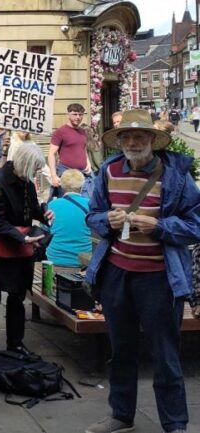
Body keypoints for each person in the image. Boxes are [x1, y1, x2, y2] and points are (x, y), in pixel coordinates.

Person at [84, 109, 200, 433]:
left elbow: (196, 224)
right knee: (121, 350)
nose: (133, 142)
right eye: (127, 137)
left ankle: (174, 424)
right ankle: (121, 415)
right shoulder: (108, 170)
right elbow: (92, 216)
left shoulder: (175, 175)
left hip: (160, 278)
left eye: (139, 136)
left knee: (165, 355)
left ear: (152, 139)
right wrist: (106, 220)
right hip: (117, 274)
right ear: (119, 141)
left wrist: (159, 226)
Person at [0, 142, 53, 358]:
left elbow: (32, 208)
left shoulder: (25, 181)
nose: (36, 173)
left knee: (18, 296)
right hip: (0, 248)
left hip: (23, 246)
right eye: (34, 168)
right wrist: (22, 236)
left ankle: (15, 344)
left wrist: (44, 213)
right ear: (25, 164)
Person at [45, 169, 91, 268]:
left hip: (55, 257)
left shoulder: (52, 205)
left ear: (62, 186)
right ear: (82, 186)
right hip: (83, 259)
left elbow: (46, 229)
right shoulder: (90, 204)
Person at [49, 103, 92, 199]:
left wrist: (88, 164)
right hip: (66, 174)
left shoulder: (82, 131)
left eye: (80, 115)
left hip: (83, 174)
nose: (78, 117)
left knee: (86, 202)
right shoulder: (60, 132)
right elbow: (51, 154)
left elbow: (83, 149)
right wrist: (53, 176)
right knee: (66, 202)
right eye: (74, 114)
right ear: (68, 115)